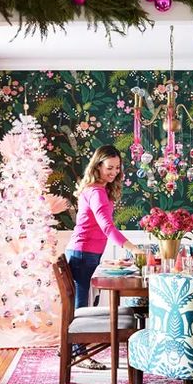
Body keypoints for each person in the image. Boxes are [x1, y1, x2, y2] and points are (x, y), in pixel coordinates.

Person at [65, 145, 143, 369]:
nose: (114, 172)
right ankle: (80, 355)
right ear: (97, 165)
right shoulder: (96, 192)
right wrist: (133, 249)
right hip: (82, 253)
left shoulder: (97, 189)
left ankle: (72, 348)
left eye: (117, 168)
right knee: (81, 304)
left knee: (86, 301)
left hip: (86, 252)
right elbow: (107, 227)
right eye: (109, 167)